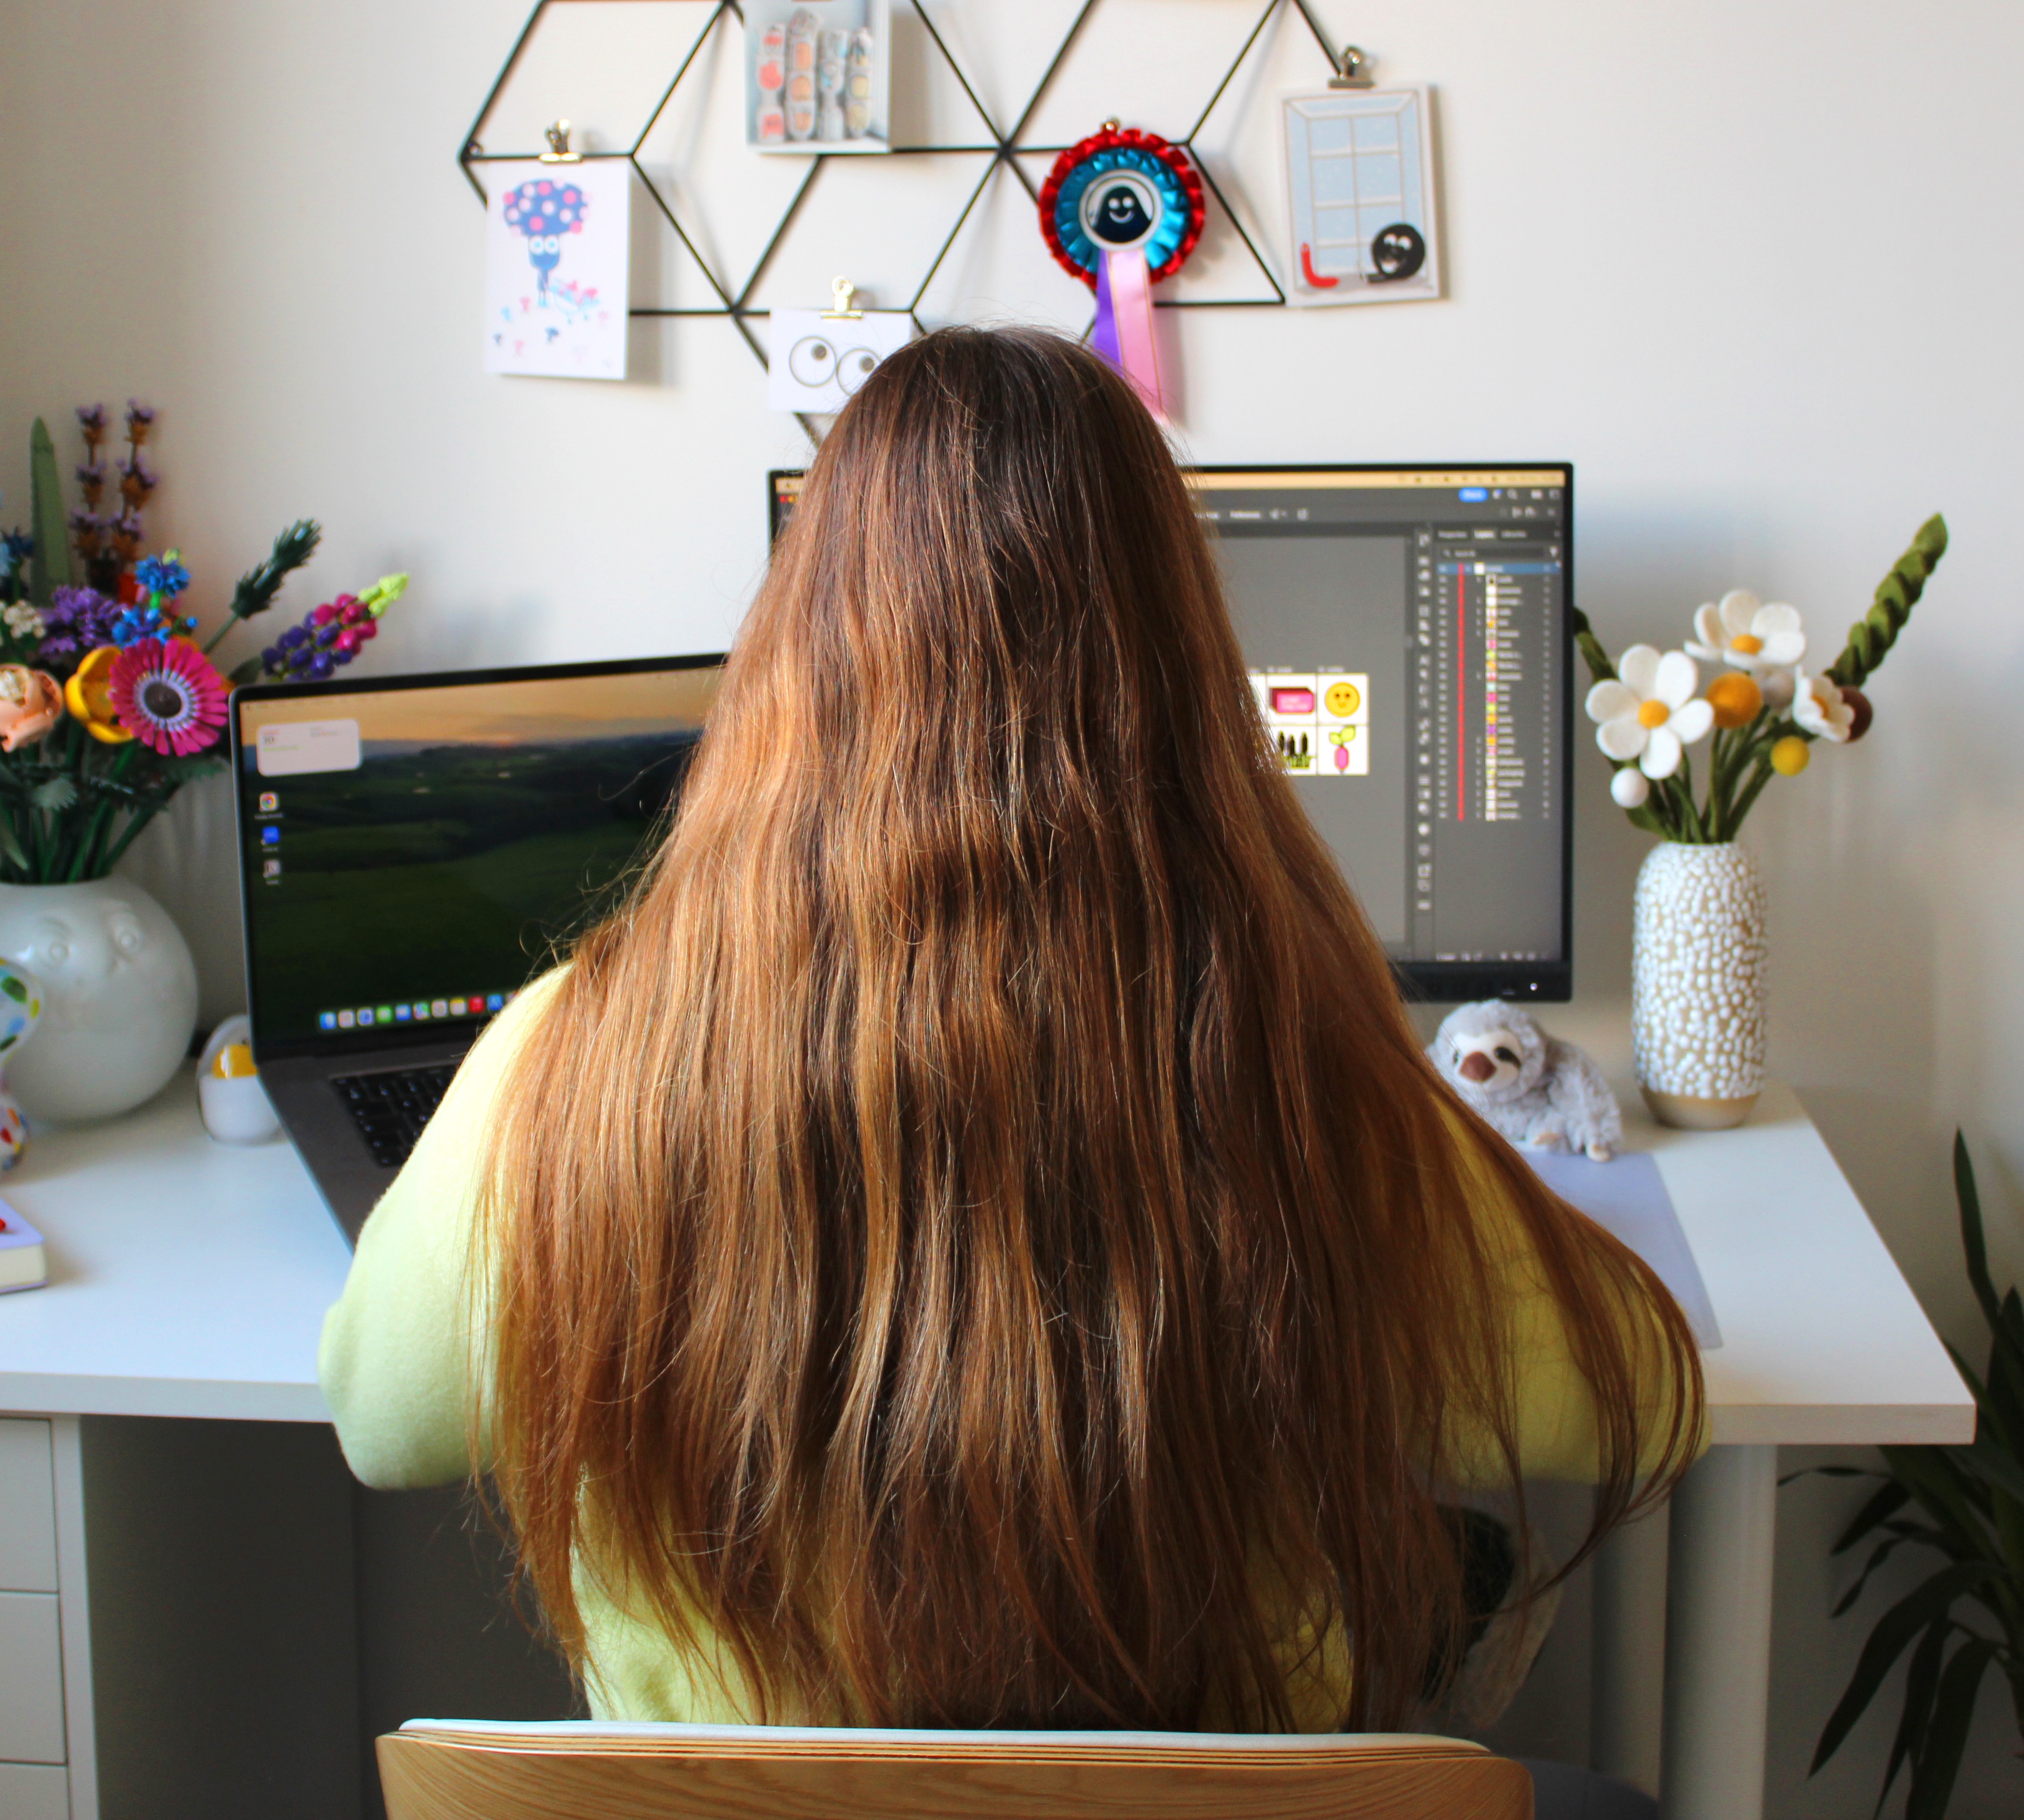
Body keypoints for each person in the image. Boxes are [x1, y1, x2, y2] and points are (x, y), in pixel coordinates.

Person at [322, 324, 1703, 1733]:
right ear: (1176, 661)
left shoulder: (583, 1052)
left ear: (801, 645)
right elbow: (1641, 1401)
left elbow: (385, 1420)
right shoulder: (1291, 1066)